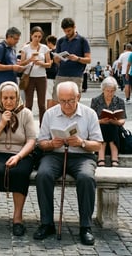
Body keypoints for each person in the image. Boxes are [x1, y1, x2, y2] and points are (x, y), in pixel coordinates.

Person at [34, 81, 102, 246]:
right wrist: (51, 144)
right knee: (43, 175)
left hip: (82, 156)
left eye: (71, 100)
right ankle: (47, 223)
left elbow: (98, 144)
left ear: (78, 96)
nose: (67, 105)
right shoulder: (50, 114)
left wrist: (82, 143)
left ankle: (85, 226)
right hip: (55, 155)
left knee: (86, 178)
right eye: (62, 101)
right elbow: (41, 142)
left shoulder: (89, 113)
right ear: (58, 99)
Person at [0, 81, 36, 235]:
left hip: (20, 153)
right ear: (0, 98)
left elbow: (31, 140)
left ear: (17, 98)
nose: (9, 101)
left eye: (12, 98)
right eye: (5, 98)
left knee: (20, 173)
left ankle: (18, 218)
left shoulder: (26, 113)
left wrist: (18, 156)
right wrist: (2, 123)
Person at [53, 18, 91, 103]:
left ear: (74, 27)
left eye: (69, 30)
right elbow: (56, 61)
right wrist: (56, 59)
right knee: (57, 99)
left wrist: (77, 58)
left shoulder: (82, 40)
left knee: (74, 101)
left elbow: (88, 59)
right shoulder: (60, 41)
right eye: (65, 31)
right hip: (61, 75)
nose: (67, 33)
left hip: (76, 76)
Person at [90, 76, 125, 167]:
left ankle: (106, 157)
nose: (110, 93)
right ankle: (111, 157)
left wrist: (116, 122)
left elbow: (122, 120)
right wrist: (101, 121)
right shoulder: (96, 100)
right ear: (103, 89)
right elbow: (91, 120)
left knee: (112, 126)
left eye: (112, 91)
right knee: (104, 126)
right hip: (100, 129)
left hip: (116, 130)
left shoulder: (119, 101)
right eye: (107, 91)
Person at [20, 26, 51, 125]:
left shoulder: (45, 48)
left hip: (41, 77)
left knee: (42, 104)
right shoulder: (25, 48)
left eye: (39, 36)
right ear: (31, 36)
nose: (37, 39)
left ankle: (43, 127)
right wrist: (30, 60)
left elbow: (49, 64)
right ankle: (27, 126)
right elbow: (21, 64)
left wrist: (41, 63)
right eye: (35, 36)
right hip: (29, 77)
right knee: (28, 104)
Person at [0, 27, 25, 92]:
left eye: (18, 39)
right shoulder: (0, 48)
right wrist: (12, 67)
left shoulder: (12, 49)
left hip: (12, 82)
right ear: (9, 37)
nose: (17, 41)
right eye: (16, 39)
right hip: (2, 83)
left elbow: (11, 62)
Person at [45, 35, 58, 109]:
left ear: (49, 43)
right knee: (56, 96)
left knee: (49, 95)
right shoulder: (59, 51)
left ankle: (49, 112)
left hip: (49, 75)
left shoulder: (48, 52)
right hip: (58, 75)